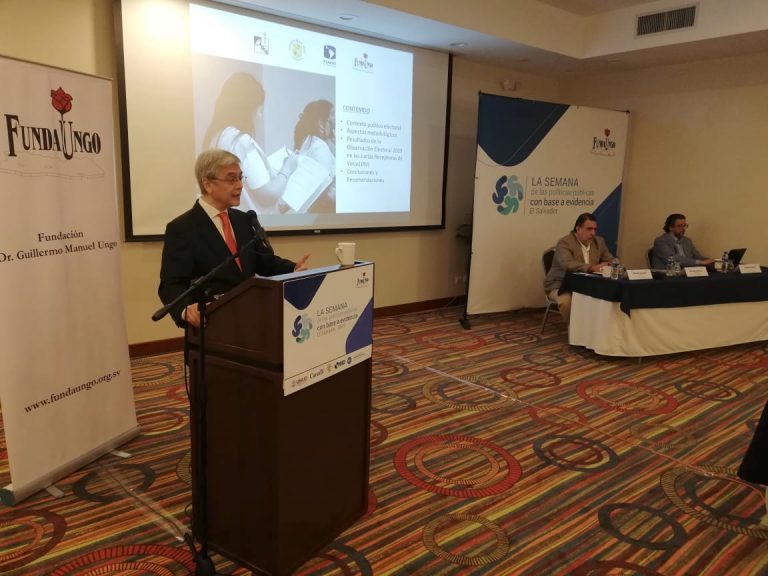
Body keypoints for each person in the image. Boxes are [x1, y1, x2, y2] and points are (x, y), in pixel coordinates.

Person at [158, 149, 309, 328]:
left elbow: (264, 262)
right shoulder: (182, 228)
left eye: (240, 178)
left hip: (250, 318)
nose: (240, 185)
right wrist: (186, 309)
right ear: (208, 184)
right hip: (212, 324)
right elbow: (171, 284)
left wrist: (293, 268)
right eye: (231, 179)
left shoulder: (243, 220)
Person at [202, 72, 298, 214]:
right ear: (248, 109)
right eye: (259, 110)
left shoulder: (216, 136)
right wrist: (287, 168)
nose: (260, 116)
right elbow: (268, 195)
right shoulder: (241, 142)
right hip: (248, 224)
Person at [543, 213, 614, 323]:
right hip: (561, 285)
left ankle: (596, 327)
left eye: (595, 229)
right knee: (566, 302)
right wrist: (592, 268)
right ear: (578, 229)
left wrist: (609, 264)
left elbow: (611, 260)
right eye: (589, 229)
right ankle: (574, 330)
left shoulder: (599, 241)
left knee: (609, 296)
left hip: (588, 285)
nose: (593, 233)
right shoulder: (565, 243)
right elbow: (568, 264)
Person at [292, 99, 336, 213]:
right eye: (330, 118)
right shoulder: (320, 147)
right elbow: (324, 192)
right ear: (321, 124)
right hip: (324, 215)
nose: (334, 121)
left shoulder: (307, 144)